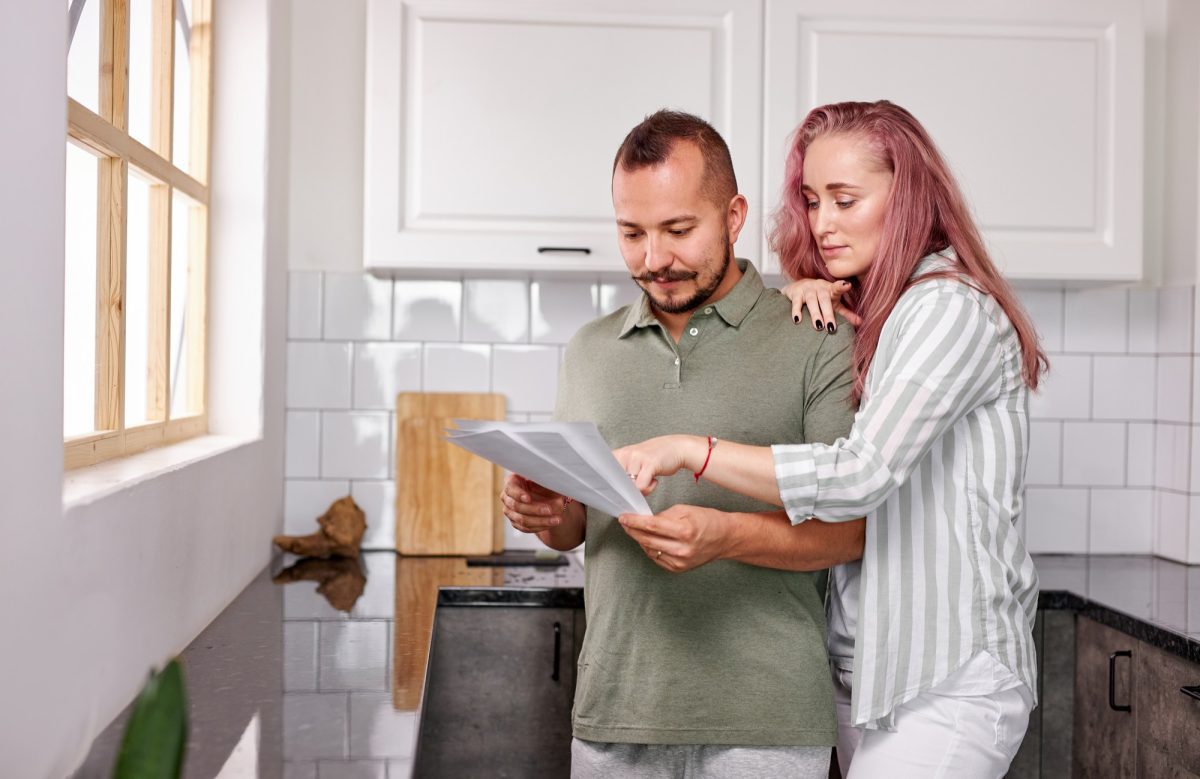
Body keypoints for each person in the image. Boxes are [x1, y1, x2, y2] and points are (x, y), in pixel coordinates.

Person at [615, 100, 1045, 778]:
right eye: (813, 201)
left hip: (948, 674)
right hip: (870, 671)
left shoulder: (948, 308)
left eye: (845, 200)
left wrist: (691, 449)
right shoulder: (888, 309)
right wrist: (811, 297)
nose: (823, 223)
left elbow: (860, 475)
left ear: (908, 197)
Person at [501, 109, 865, 777]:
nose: (653, 259)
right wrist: (548, 518)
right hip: (616, 711)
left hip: (768, 717)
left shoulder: (814, 333)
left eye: (678, 230)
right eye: (631, 232)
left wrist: (723, 534)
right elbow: (578, 523)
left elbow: (848, 532)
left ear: (734, 215)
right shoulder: (589, 352)